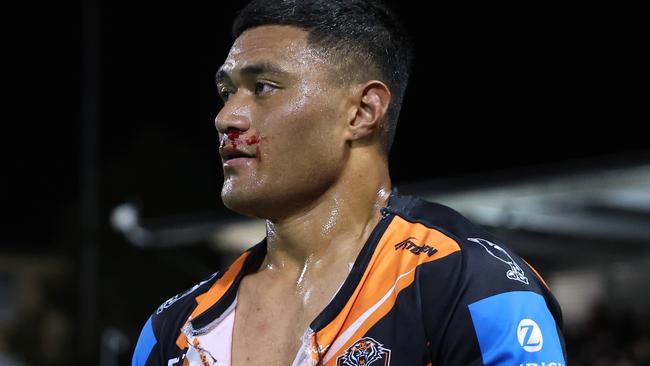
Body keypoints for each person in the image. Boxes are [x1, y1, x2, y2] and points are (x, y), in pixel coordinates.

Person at [132, 0, 567, 365]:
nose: (226, 118)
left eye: (263, 87)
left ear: (362, 112)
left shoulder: (471, 285)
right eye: (228, 92)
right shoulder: (174, 327)